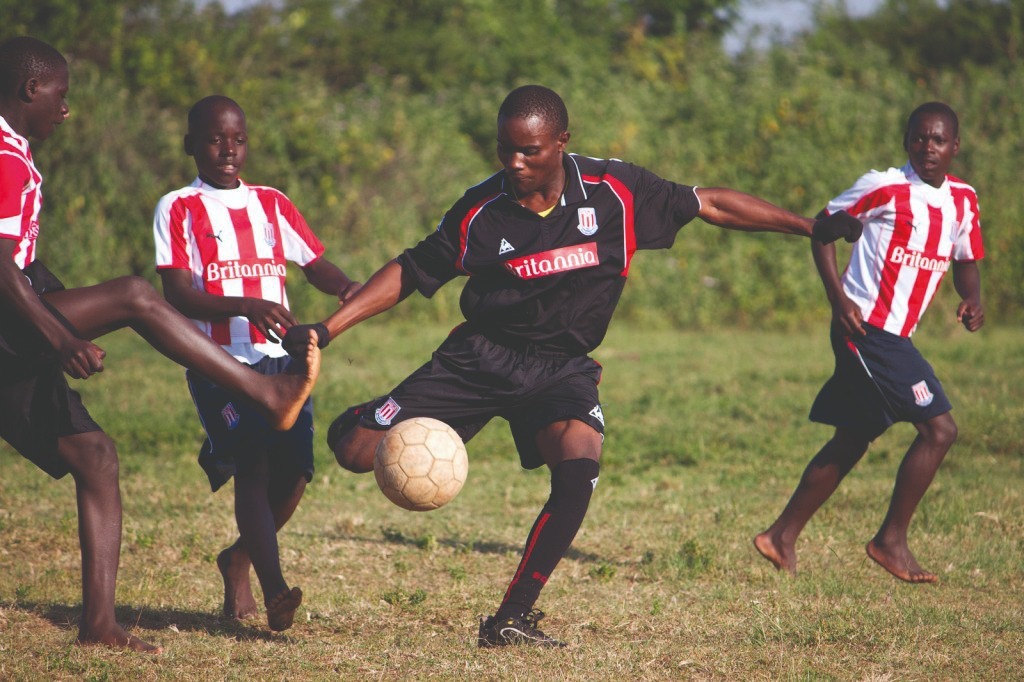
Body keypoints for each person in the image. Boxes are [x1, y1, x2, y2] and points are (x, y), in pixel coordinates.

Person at [283, 84, 862, 647]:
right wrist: (326, 330)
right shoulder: (481, 211)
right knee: (357, 453)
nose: (514, 163)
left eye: (529, 151)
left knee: (580, 464)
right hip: (480, 357)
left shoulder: (615, 191)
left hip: (561, 368)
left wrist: (811, 227)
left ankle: (510, 617)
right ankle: (348, 421)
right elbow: (412, 270)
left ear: (561, 141)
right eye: (505, 149)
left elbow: (708, 201)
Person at [0, 37, 321, 653]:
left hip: (16, 334)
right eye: (61, 96)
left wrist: (60, 306)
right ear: (30, 90)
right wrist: (59, 332)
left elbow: (24, 265)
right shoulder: (5, 155)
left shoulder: (19, 153)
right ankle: (260, 389)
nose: (66, 109)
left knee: (95, 457)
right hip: (10, 329)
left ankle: (98, 627)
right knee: (134, 295)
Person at [754, 101, 984, 584]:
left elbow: (967, 258)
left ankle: (780, 536)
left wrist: (973, 297)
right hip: (866, 330)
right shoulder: (883, 186)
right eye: (919, 138)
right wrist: (839, 301)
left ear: (955, 147)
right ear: (906, 141)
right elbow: (822, 232)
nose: (929, 147)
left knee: (854, 436)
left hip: (896, 335)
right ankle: (890, 541)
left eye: (939, 140)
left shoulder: (963, 199)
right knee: (940, 430)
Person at [153, 95, 359, 631]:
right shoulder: (178, 207)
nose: (228, 149)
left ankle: (238, 558)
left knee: (295, 474)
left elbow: (314, 263)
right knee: (254, 464)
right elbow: (176, 295)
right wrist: (244, 305)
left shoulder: (272, 202)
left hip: (283, 363)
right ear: (191, 145)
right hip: (220, 364)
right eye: (216, 139)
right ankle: (275, 591)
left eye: (238, 139)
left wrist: (347, 287)